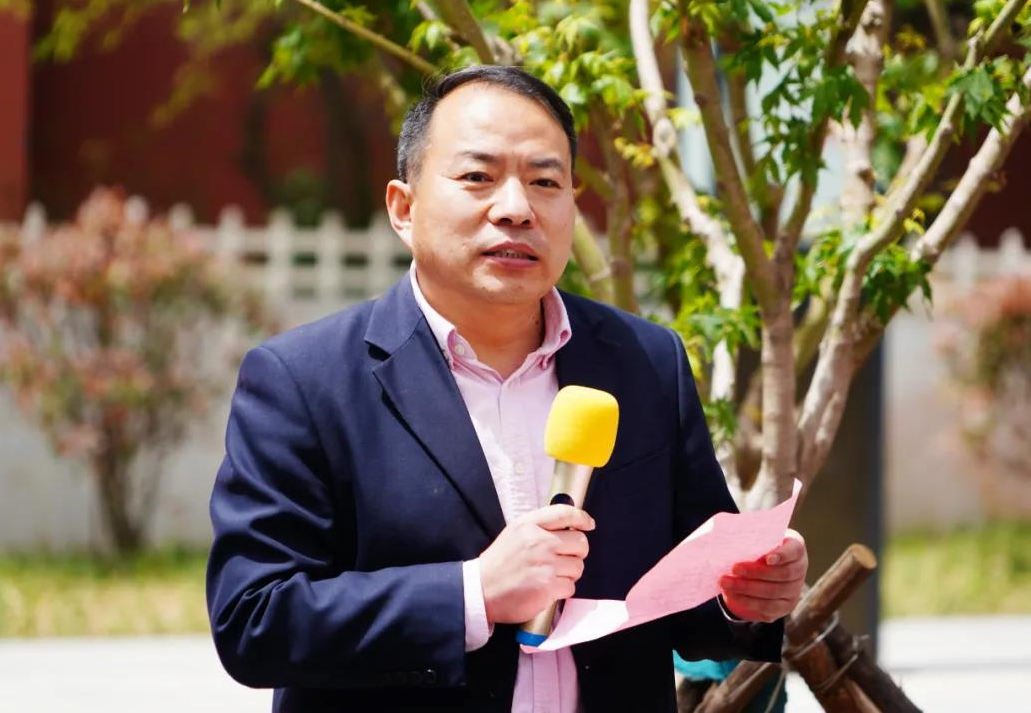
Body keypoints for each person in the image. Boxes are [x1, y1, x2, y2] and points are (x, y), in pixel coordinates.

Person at [206, 65, 808, 712]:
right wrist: (474, 593)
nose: (517, 208)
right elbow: (254, 619)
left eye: (545, 182)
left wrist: (745, 596)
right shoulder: (304, 381)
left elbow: (690, 599)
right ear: (404, 208)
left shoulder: (645, 361)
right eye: (478, 177)